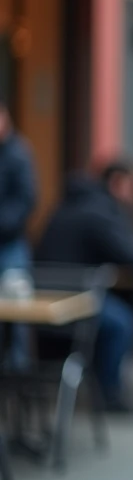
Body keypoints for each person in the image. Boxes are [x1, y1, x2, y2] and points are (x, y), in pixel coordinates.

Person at [38, 160, 133, 412]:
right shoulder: (98, 211)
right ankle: (110, 393)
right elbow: (130, 254)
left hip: (44, 301)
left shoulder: (61, 208)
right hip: (75, 301)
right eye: (130, 186)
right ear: (116, 182)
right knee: (124, 324)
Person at [0, 98, 37, 369]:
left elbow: (26, 201)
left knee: (17, 312)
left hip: (10, 245)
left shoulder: (18, 154)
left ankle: (18, 370)